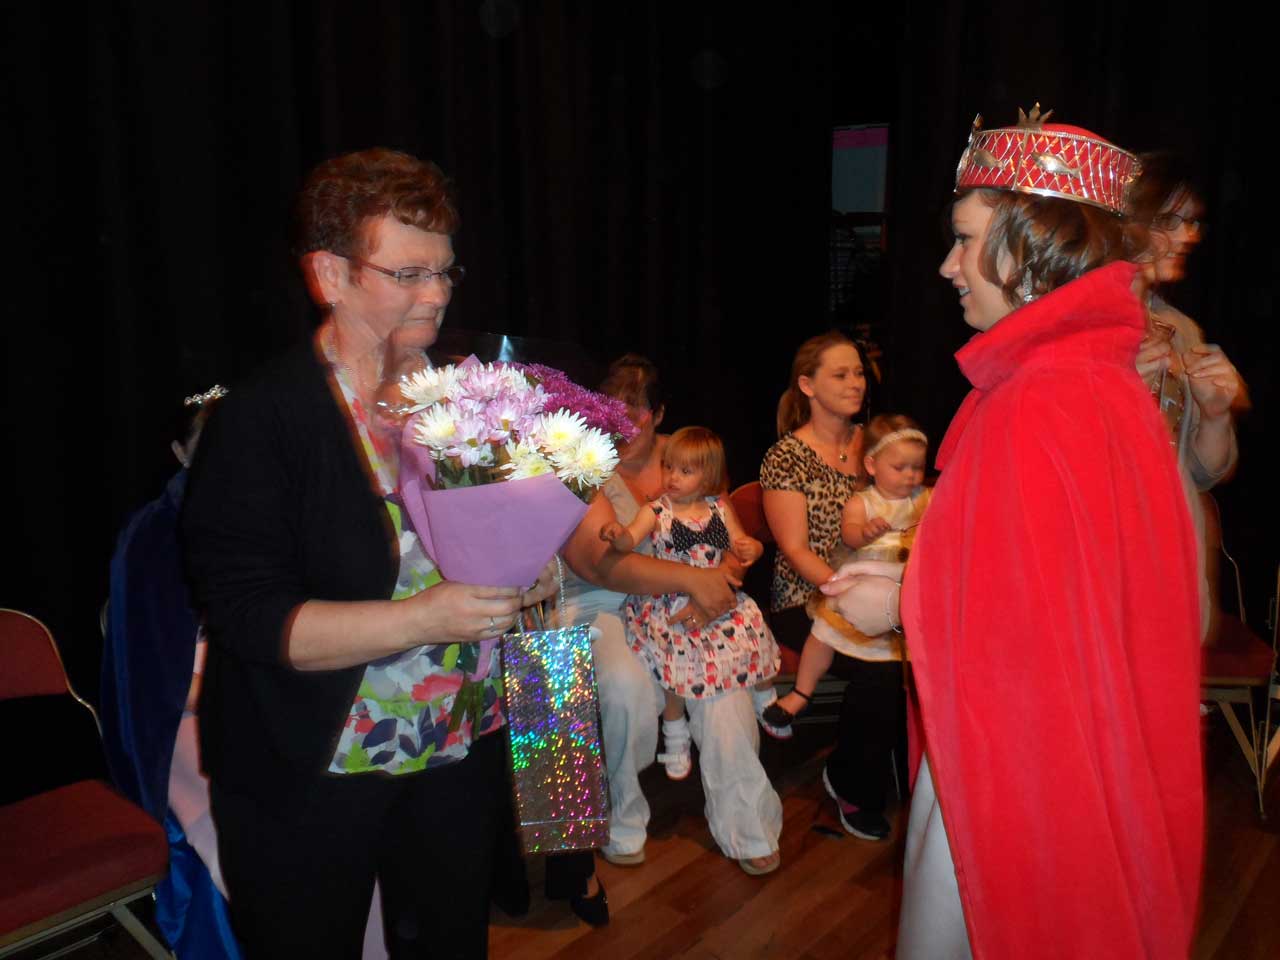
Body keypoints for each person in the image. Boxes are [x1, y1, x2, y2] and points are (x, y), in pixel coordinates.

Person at [827, 110, 1203, 958]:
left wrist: (906, 603)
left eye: (965, 240)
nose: (946, 265)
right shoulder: (1087, 380)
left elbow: (1020, 636)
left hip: (1020, 768)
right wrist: (915, 586)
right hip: (1053, 752)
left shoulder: (1039, 398)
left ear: (1032, 245)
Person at [182, 148, 558, 960]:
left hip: (457, 736)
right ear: (330, 273)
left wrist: (533, 564)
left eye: (446, 271)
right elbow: (251, 619)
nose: (438, 293)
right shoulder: (264, 418)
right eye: (408, 273)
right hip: (311, 761)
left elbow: (508, 529)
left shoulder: (470, 395)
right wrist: (422, 616)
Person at [560, 356, 783, 877]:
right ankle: (624, 816)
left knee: (722, 688)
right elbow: (600, 562)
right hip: (604, 598)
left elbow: (726, 534)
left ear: (658, 413)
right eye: (610, 409)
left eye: (634, 410)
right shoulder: (581, 456)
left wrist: (720, 583)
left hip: (694, 597)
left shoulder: (689, 453)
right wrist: (692, 583)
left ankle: (746, 824)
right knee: (626, 686)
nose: (622, 422)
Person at [601, 426, 779, 782]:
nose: (672, 478)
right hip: (671, 599)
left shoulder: (719, 509)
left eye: (685, 471)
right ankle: (675, 730)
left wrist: (752, 549)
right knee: (675, 663)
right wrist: (618, 536)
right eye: (669, 468)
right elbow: (630, 538)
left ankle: (765, 694)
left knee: (753, 630)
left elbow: (743, 545)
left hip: (714, 593)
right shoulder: (656, 509)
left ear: (707, 475)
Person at [1129, 151, 1245, 637]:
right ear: (1126, 221)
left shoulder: (1181, 330)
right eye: (1170, 220)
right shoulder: (1078, 324)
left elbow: (1202, 471)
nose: (1189, 235)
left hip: (1167, 577)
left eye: (1193, 222)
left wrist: (1217, 414)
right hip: (1097, 570)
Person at [763, 414, 930, 734]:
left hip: (906, 588)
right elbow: (850, 535)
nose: (910, 476)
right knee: (824, 632)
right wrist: (866, 533)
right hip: (864, 583)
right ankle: (801, 692)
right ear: (871, 465)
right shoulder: (863, 502)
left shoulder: (923, 499)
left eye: (917, 467)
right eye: (900, 468)